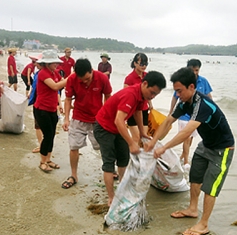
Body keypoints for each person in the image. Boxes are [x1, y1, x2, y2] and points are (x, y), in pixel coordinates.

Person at [144, 67, 234, 235]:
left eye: (179, 91)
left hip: (222, 149)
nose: (177, 95)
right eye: (175, 91)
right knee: (195, 176)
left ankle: (203, 224)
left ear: (191, 87)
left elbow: (186, 132)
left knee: (210, 187)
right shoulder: (184, 102)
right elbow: (169, 120)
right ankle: (193, 209)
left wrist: (164, 148)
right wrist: (154, 141)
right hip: (206, 145)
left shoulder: (203, 104)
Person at [94, 71, 166, 206]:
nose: (152, 97)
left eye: (156, 95)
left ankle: (122, 188)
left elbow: (138, 112)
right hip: (104, 128)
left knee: (123, 159)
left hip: (117, 128)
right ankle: (111, 197)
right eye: (152, 92)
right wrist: (132, 142)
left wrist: (141, 132)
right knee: (109, 163)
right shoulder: (130, 94)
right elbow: (119, 121)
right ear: (144, 84)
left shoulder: (142, 95)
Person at [61, 58, 112, 189]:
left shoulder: (102, 78)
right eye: (82, 80)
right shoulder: (72, 79)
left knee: (104, 147)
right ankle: (73, 175)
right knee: (73, 147)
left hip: (98, 119)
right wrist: (66, 119)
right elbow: (67, 99)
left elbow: (108, 97)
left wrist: (108, 117)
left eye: (87, 79)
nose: (85, 82)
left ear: (91, 71)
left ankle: (111, 170)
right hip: (78, 118)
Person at [169, 59, 213, 168]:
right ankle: (186, 162)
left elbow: (208, 97)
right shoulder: (182, 82)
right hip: (184, 114)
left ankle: (182, 157)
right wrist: (170, 113)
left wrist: (213, 111)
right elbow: (175, 97)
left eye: (196, 70)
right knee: (186, 137)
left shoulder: (203, 81)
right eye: (191, 70)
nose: (194, 73)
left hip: (197, 116)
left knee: (191, 138)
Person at [33, 50, 68, 173]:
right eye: (54, 63)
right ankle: (42, 162)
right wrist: (71, 78)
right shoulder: (43, 73)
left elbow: (58, 87)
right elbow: (55, 86)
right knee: (47, 135)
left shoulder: (54, 73)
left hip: (52, 108)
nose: (57, 65)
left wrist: (60, 104)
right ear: (47, 63)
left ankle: (48, 159)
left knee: (52, 134)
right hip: (42, 109)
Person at [124, 53, 152, 143]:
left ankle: (140, 156)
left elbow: (149, 92)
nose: (143, 66)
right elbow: (126, 96)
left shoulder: (147, 76)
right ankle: (130, 155)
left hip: (144, 109)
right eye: (141, 64)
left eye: (145, 64)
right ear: (135, 63)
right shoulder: (129, 78)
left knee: (144, 138)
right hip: (133, 111)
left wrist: (150, 104)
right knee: (136, 138)